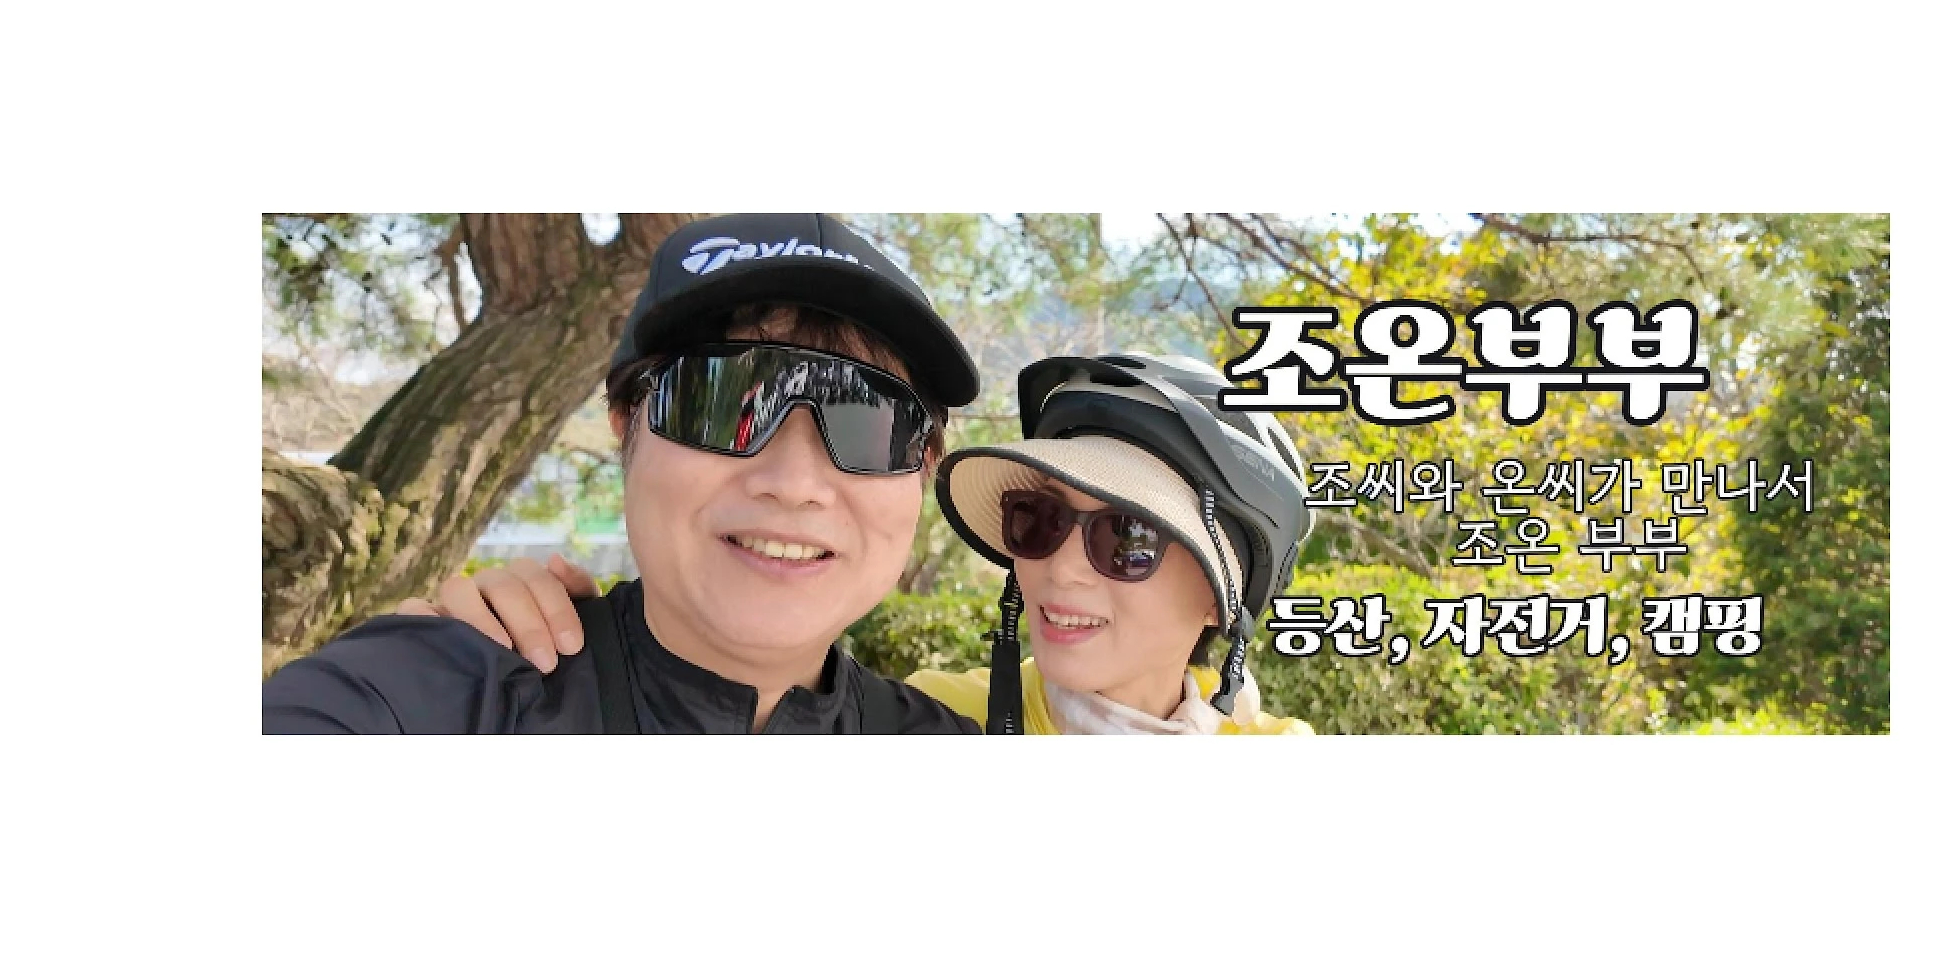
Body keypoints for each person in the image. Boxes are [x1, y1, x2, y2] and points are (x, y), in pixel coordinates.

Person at [262, 212, 983, 734]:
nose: (794, 483)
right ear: (625, 425)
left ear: (922, 470)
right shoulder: (427, 696)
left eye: (868, 423)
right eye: (721, 401)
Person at [429, 352, 1318, 735]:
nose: (1056, 566)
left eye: (1128, 537)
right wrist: (486, 649)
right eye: (1038, 519)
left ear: (1222, 599)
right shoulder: (934, 721)